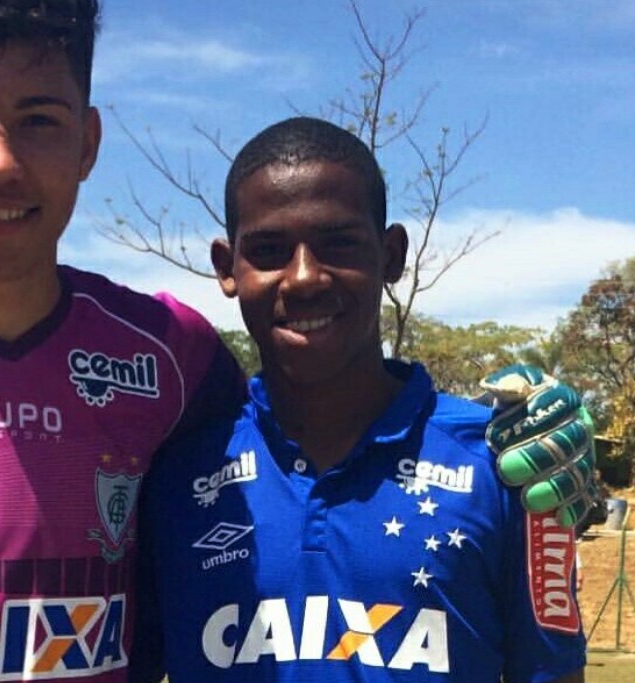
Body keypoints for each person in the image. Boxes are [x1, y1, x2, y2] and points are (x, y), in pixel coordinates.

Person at [0, 3, 593, 683]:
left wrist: (538, 440)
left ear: (88, 141)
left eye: (38, 121)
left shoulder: (171, 359)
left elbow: (324, 417)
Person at [128, 117, 586, 682]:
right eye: (269, 250)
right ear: (227, 269)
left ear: (391, 255)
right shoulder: (176, 476)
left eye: (338, 244)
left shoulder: (502, 465)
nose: (303, 278)